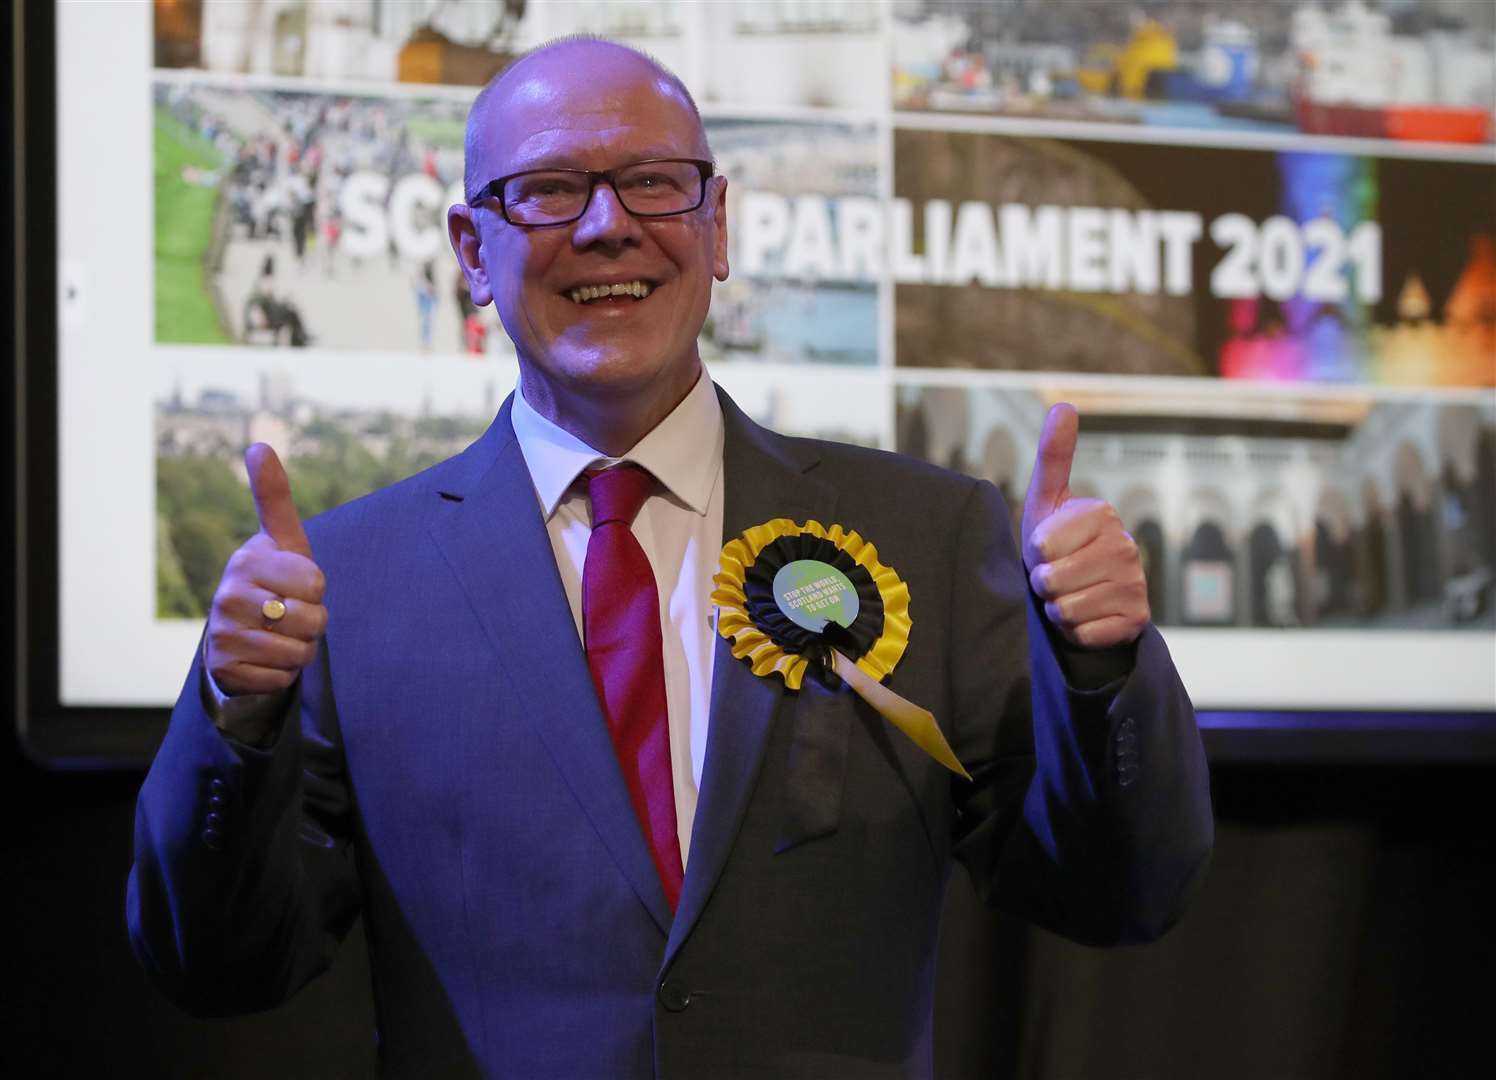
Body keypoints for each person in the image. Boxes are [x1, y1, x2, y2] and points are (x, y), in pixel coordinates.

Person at [128, 38, 1211, 1079]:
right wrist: (232, 710)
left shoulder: (925, 536)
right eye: (550, 189)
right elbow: (219, 967)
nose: (608, 228)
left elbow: (1119, 894)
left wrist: (1102, 666)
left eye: (652, 182)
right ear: (471, 251)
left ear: (717, 223)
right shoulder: (353, 582)